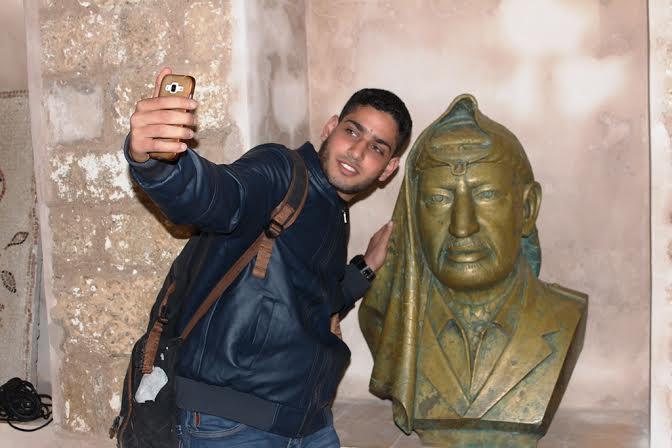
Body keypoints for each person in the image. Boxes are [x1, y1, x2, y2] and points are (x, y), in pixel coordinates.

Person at [125, 68, 412, 448]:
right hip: (231, 424)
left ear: (388, 169)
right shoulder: (281, 171)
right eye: (352, 131)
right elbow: (217, 193)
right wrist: (154, 162)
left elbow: (310, 301)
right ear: (331, 128)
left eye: (377, 148)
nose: (357, 152)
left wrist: (366, 267)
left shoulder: (333, 211)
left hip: (308, 424)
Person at [359, 94, 587, 446]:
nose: (462, 226)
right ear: (414, 216)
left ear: (527, 208)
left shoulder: (566, 315)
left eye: (486, 195)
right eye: (438, 199)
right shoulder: (389, 321)